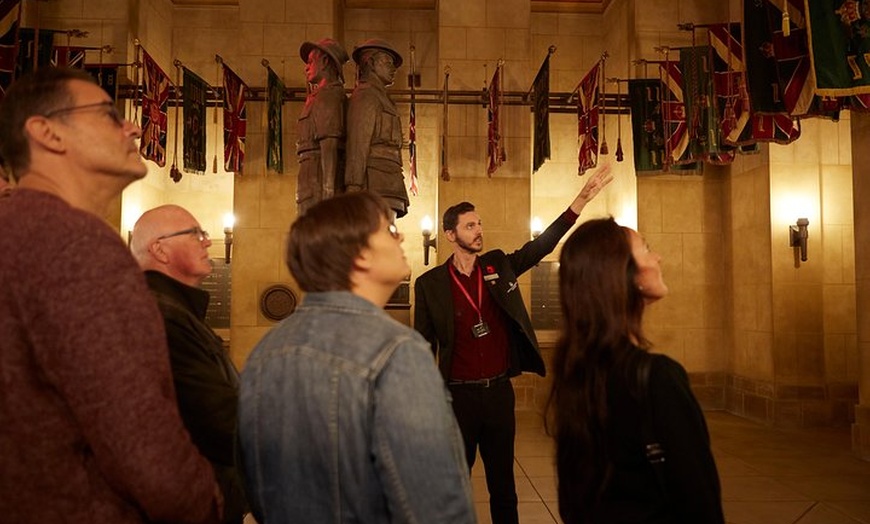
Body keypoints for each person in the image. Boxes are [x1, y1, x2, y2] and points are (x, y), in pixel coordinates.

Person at [0, 68, 222, 522]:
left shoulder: (16, 232)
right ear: (47, 133)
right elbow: (140, 439)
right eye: (107, 114)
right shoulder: (75, 244)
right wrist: (208, 506)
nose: (134, 126)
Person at [238, 191, 476, 523]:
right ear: (362, 255)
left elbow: (256, 487)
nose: (402, 236)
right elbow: (437, 509)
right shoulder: (396, 352)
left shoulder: (264, 352)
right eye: (390, 231)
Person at [414, 165, 613, 524]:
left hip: (498, 395)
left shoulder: (498, 265)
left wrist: (579, 202)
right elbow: (422, 346)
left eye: (479, 224)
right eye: (470, 226)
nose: (479, 231)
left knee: (503, 486)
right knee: (453, 485)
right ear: (449, 234)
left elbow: (540, 246)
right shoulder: (430, 284)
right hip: (456, 398)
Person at [546, 217, 725, 524]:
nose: (658, 258)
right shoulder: (657, 378)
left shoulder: (576, 374)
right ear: (625, 275)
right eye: (647, 249)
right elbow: (700, 503)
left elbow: (572, 502)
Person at [130, 205, 248, 524]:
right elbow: (215, 419)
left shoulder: (174, 310)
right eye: (196, 233)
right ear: (160, 249)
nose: (207, 242)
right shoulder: (162, 316)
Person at [345, 39, 409, 218]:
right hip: (373, 182)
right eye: (387, 62)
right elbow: (358, 142)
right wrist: (353, 185)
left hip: (388, 181)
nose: (393, 68)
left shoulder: (382, 98)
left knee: (386, 238)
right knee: (376, 240)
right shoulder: (366, 95)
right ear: (370, 63)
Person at [296, 37, 349, 214]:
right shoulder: (317, 96)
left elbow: (330, 145)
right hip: (310, 177)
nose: (306, 67)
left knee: (316, 235)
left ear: (325, 62)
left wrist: (328, 193)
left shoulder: (329, 96)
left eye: (311, 62)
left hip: (318, 178)